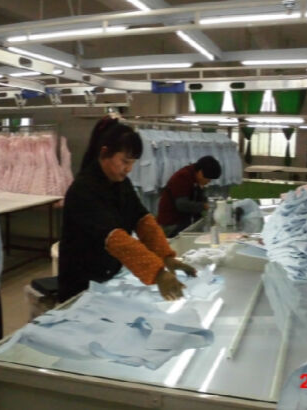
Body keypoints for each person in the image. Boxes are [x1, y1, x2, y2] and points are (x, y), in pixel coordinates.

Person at [58, 117, 196, 303]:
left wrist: (166, 257)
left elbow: (142, 220)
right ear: (104, 153)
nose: (129, 169)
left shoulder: (121, 184)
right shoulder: (83, 190)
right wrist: (158, 273)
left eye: (133, 163)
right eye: (124, 161)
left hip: (108, 278)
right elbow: (115, 239)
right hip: (81, 285)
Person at [157, 156, 222, 237]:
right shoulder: (183, 177)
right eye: (208, 179)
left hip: (183, 222)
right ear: (200, 172)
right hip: (171, 224)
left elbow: (198, 198)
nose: (209, 181)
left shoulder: (194, 178)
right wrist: (204, 206)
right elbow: (182, 204)